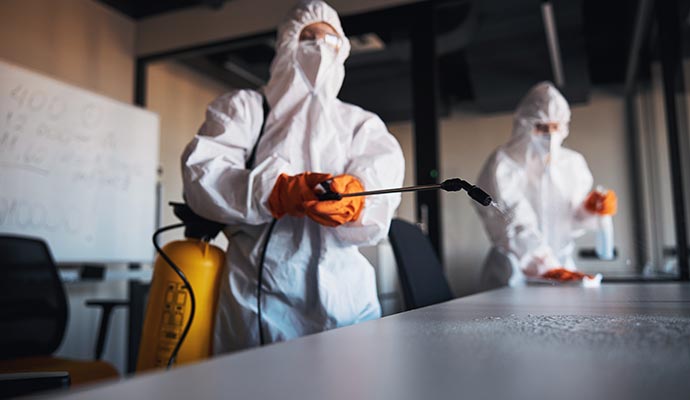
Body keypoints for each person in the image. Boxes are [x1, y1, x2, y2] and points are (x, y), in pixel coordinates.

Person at [181, 0, 404, 353]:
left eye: (330, 41)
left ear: (343, 51)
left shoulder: (360, 123)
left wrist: (358, 197)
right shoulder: (245, 109)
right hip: (260, 296)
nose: (320, 47)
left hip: (345, 296)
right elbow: (202, 177)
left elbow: (382, 188)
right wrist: (277, 191)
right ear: (287, 42)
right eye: (309, 36)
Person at [474, 82, 617, 290]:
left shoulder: (572, 163)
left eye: (555, 126)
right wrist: (542, 263)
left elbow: (571, 219)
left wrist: (590, 209)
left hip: (562, 267)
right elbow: (513, 220)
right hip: (515, 271)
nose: (550, 135)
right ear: (525, 126)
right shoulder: (504, 163)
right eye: (542, 127)